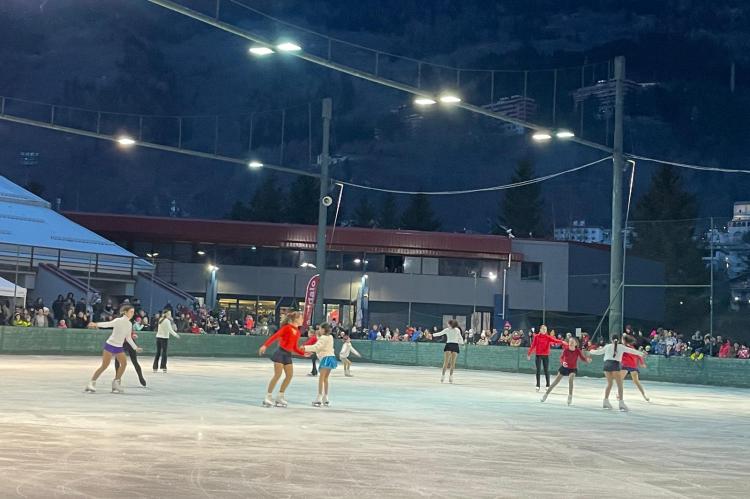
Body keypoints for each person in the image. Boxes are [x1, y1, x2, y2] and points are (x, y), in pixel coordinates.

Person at [85, 305, 142, 393]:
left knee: (124, 364)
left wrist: (135, 347)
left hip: (119, 347)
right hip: (110, 345)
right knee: (104, 365)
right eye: (131, 312)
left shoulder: (129, 324)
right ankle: (91, 383)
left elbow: (128, 338)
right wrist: (96, 324)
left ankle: (116, 383)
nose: (132, 314)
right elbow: (107, 324)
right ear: (125, 312)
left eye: (133, 312)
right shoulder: (118, 320)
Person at [259, 311, 307, 407]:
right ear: (295, 319)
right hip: (280, 353)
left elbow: (294, 347)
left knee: (289, 375)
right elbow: (275, 336)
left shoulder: (297, 332)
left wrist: (303, 353)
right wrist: (265, 345)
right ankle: (268, 396)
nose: (302, 320)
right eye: (301, 318)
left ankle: (280, 396)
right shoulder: (287, 328)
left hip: (288, 354)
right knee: (278, 375)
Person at [588, 334, 646, 412]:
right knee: (619, 385)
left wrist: (591, 351)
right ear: (618, 340)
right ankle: (621, 403)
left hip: (606, 365)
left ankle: (605, 401)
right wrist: (642, 354)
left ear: (611, 340)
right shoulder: (621, 347)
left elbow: (598, 352)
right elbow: (632, 351)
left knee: (609, 384)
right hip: (615, 365)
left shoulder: (607, 346)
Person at [541, 337, 590, 405]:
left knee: (571, 379)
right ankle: (546, 394)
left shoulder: (577, 351)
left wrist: (587, 360)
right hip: (564, 367)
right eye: (570, 342)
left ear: (576, 344)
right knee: (556, 381)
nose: (571, 343)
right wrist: (563, 362)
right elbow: (561, 358)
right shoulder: (566, 350)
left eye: (572, 342)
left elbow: (582, 358)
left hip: (573, 368)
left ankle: (570, 396)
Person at [303, 323, 337, 406]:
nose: (319, 330)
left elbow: (317, 347)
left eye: (320, 329)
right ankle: (326, 398)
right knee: (325, 379)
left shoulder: (323, 338)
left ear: (323, 329)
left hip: (326, 358)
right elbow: (322, 347)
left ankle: (319, 398)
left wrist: (305, 348)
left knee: (321, 379)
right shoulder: (330, 337)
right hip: (331, 358)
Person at [527, 325, 564, 392]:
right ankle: (538, 385)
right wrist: (529, 353)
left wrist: (562, 341)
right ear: (540, 330)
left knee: (546, 370)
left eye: (545, 329)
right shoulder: (536, 337)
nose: (544, 330)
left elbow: (555, 340)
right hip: (538, 355)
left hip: (545, 355)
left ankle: (548, 385)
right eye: (543, 329)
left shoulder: (548, 337)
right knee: (538, 370)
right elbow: (533, 345)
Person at [620, 335, 650, 402]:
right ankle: (644, 396)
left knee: (620, 380)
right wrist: (642, 363)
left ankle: (619, 395)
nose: (621, 340)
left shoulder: (623, 348)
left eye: (622, 339)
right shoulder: (631, 347)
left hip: (626, 365)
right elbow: (638, 355)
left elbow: (638, 355)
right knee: (636, 381)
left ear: (624, 341)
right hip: (632, 365)